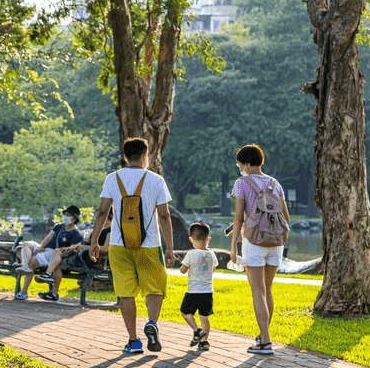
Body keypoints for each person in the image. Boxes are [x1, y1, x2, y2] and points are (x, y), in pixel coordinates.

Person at [90, 137, 176, 354]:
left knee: (126, 293)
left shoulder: (112, 179)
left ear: (125, 156)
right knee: (154, 288)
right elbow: (165, 216)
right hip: (150, 246)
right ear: (146, 155)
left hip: (119, 245)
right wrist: (170, 247)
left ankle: (134, 341)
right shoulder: (156, 180)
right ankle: (152, 323)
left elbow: (102, 212)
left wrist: (94, 240)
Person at [228, 143, 289, 355]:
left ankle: (265, 341)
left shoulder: (241, 183)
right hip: (275, 241)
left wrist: (234, 246)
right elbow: (285, 216)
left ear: (245, 163)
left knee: (258, 292)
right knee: (267, 290)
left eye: (239, 163)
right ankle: (263, 336)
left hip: (254, 241)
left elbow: (238, 217)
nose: (239, 167)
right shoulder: (275, 183)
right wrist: (282, 239)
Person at [14, 205, 84, 300]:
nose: (65, 217)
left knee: (33, 262)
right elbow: (48, 238)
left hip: (53, 253)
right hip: (45, 249)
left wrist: (63, 250)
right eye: (65, 214)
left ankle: (23, 291)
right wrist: (41, 247)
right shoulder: (58, 227)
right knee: (26, 244)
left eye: (68, 215)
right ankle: (24, 266)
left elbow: (73, 248)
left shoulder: (75, 233)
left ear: (74, 218)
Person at [180, 222, 219, 351]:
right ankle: (204, 342)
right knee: (204, 317)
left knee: (185, 312)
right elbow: (213, 269)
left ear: (191, 239)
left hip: (194, 291)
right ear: (209, 239)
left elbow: (183, 270)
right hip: (208, 291)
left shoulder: (191, 254)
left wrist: (184, 267)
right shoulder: (212, 254)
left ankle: (197, 330)